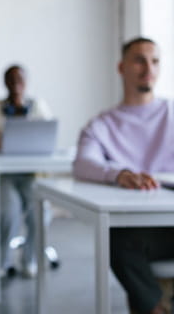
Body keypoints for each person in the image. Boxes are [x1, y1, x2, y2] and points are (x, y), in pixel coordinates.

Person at [73, 37, 174, 314]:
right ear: (121, 67)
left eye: (155, 61)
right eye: (139, 60)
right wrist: (119, 173)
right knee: (115, 239)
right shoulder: (103, 124)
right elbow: (83, 163)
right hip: (141, 233)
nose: (148, 68)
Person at [0, 64, 52, 278]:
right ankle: (2, 263)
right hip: (4, 174)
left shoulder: (37, 106)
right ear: (5, 83)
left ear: (27, 82)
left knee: (40, 213)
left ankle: (31, 260)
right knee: (9, 213)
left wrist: (9, 139)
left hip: (31, 174)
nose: (16, 84)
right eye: (11, 79)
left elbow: (47, 137)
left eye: (20, 79)